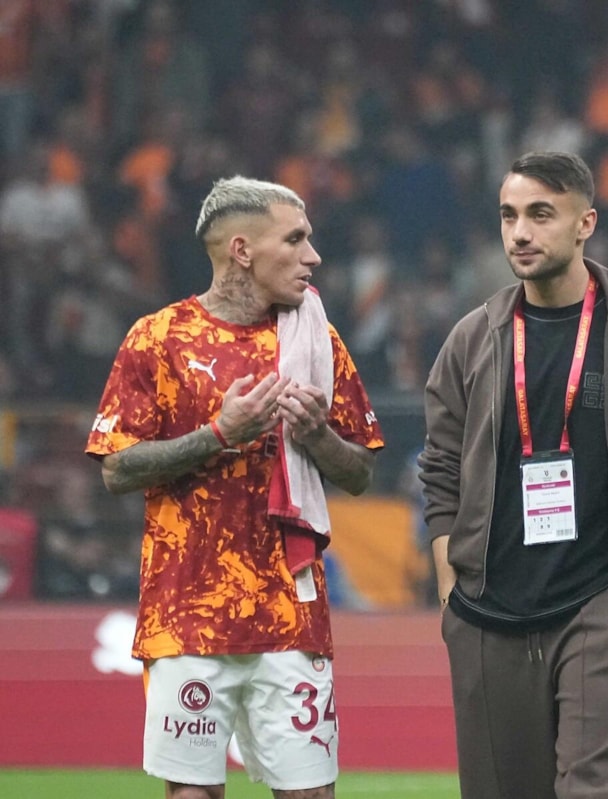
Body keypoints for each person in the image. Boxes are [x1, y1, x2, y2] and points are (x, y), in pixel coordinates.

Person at [417, 151, 608, 799]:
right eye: (508, 216)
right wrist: (449, 591)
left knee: (600, 787)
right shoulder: (473, 340)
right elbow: (439, 471)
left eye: (540, 214)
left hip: (603, 599)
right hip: (486, 611)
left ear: (585, 224)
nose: (520, 233)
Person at [85, 176, 384, 799]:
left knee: (311, 793)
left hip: (292, 612)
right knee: (193, 793)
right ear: (242, 250)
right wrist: (220, 434)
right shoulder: (159, 338)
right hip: (188, 613)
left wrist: (318, 436)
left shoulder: (316, 339)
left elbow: (359, 473)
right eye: (295, 240)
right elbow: (116, 470)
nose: (312, 257)